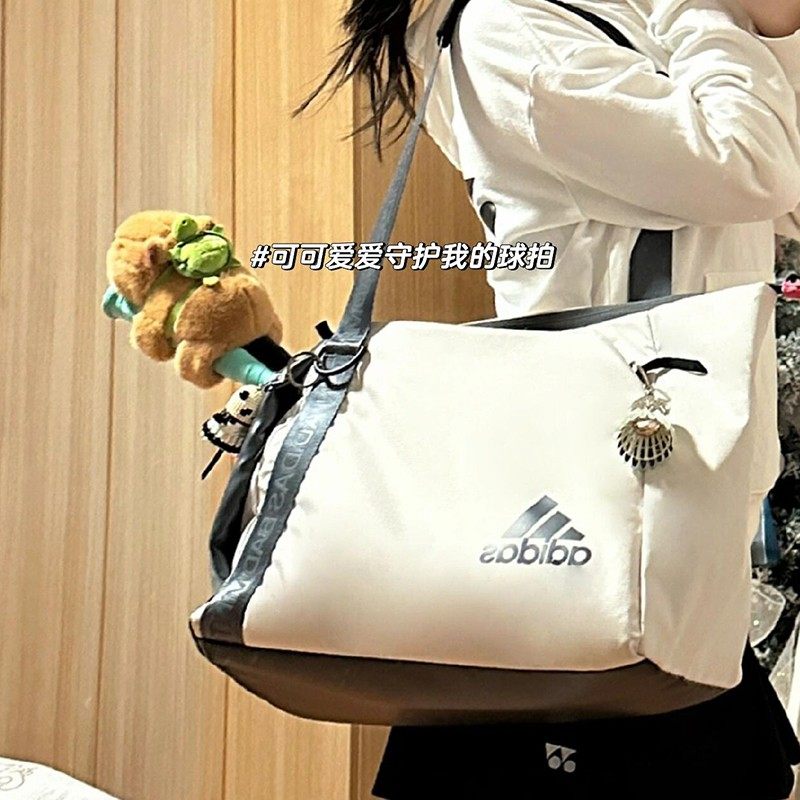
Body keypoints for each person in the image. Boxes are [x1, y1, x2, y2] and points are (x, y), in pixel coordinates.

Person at [293, 0, 800, 797]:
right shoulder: (511, 30)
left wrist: (765, 30)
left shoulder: (612, 20)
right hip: (593, 531)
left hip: (657, 534)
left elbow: (780, 187)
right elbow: (749, 162)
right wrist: (701, 7)